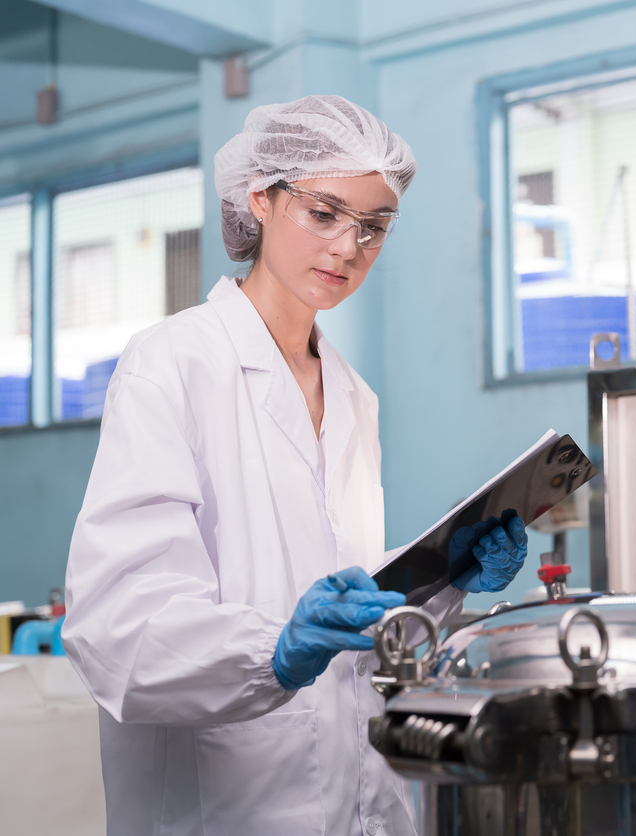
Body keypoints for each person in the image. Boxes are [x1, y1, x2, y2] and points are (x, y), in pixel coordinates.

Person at [61, 95, 528, 836]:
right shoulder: (173, 364)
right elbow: (118, 628)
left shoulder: (351, 394)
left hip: (352, 808)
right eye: (324, 213)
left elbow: (350, 620)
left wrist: (440, 585)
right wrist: (272, 653)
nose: (348, 246)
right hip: (218, 813)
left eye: (373, 227)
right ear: (260, 198)